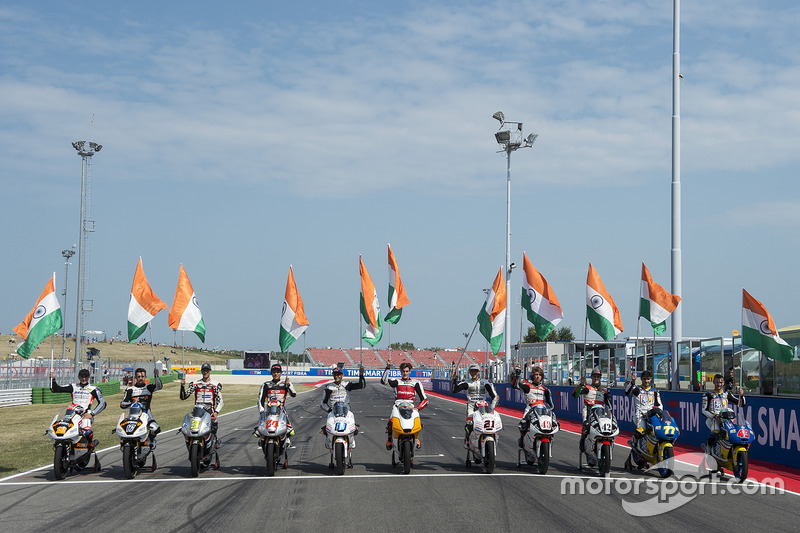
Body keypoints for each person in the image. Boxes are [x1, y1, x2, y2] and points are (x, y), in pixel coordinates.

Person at [50, 368, 106, 450]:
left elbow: (103, 403)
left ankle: (90, 444)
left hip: (85, 415)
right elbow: (56, 389)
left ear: (89, 377)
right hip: (72, 414)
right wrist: (53, 379)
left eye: (85, 376)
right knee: (62, 429)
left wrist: (92, 414)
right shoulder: (73, 386)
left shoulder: (94, 389)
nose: (84, 378)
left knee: (87, 432)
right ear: (78, 377)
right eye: (82, 376)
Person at [381, 359, 428, 450]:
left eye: (407, 371)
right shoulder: (396, 382)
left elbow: (425, 400)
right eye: (403, 371)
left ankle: (416, 438)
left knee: (417, 422)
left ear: (410, 372)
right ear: (401, 372)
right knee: (390, 423)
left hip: (411, 407)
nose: (405, 373)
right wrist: (387, 367)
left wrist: (417, 408)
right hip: (398, 406)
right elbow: (384, 381)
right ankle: (389, 439)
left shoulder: (416, 383)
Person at [451, 363, 498, 449]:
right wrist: (454, 380)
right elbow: (454, 390)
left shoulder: (485, 382)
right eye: (471, 371)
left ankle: (490, 441)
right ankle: (467, 438)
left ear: (479, 372)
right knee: (469, 424)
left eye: (475, 371)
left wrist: (492, 408)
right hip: (472, 406)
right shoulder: (467, 383)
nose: (473, 373)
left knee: (489, 424)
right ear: (469, 372)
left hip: (483, 406)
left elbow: (495, 396)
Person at [572, 367, 611, 464]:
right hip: (589, 410)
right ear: (591, 377)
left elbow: (608, 404)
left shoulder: (604, 390)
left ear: (600, 377)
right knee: (586, 425)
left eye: (598, 376)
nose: (596, 378)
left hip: (601, 412)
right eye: (594, 376)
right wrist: (581, 384)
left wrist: (610, 412)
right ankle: (583, 443)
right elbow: (575, 395)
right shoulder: (587, 388)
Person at [511, 365, 554, 449]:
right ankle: (523, 438)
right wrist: (517, 376)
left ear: (542, 376)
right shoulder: (527, 386)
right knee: (522, 424)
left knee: (552, 424)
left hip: (543, 411)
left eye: (539, 375)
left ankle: (548, 440)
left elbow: (551, 405)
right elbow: (515, 386)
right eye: (536, 374)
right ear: (532, 376)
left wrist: (549, 410)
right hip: (530, 409)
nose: (538, 376)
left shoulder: (546, 390)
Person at [180, 363, 223, 444]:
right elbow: (183, 397)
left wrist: (216, 412)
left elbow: (220, 400)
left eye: (207, 370)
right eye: (204, 370)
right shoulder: (195, 384)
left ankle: (214, 441)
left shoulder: (215, 385)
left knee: (214, 425)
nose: (205, 372)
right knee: (190, 427)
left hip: (210, 411)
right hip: (197, 410)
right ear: (201, 371)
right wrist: (182, 386)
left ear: (210, 371)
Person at [120, 366, 162, 449]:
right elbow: (122, 404)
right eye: (138, 377)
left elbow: (159, 387)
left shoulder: (148, 387)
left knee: (155, 429)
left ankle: (150, 439)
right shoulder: (130, 389)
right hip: (133, 415)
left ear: (145, 377)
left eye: (142, 376)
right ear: (135, 377)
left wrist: (156, 375)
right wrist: (132, 402)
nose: (140, 378)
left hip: (146, 413)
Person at [702, 373, 745, 451]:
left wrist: (741, 395)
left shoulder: (727, 394)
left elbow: (741, 404)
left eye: (720, 382)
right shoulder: (708, 395)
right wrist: (715, 416)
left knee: (733, 433)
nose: (719, 384)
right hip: (713, 419)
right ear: (714, 382)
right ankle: (707, 451)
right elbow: (704, 411)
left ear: (723, 383)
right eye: (717, 382)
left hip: (726, 419)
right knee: (715, 433)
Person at [257, 363, 296, 436]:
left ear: (281, 373)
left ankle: (286, 440)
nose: (276, 374)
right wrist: (261, 412)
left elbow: (294, 394)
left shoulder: (285, 383)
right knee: (259, 431)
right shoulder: (266, 385)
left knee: (290, 431)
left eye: (278, 372)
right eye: (274, 372)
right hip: (268, 409)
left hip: (281, 409)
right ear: (271, 373)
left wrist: (288, 385)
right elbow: (260, 399)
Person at [624, 370, 661, 444]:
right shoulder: (637, 389)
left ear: (650, 379)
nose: (646, 381)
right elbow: (627, 392)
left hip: (651, 416)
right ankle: (635, 444)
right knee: (641, 432)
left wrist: (659, 413)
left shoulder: (654, 391)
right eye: (644, 379)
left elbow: (659, 405)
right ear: (641, 379)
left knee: (657, 432)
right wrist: (632, 382)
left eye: (648, 379)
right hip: (640, 416)